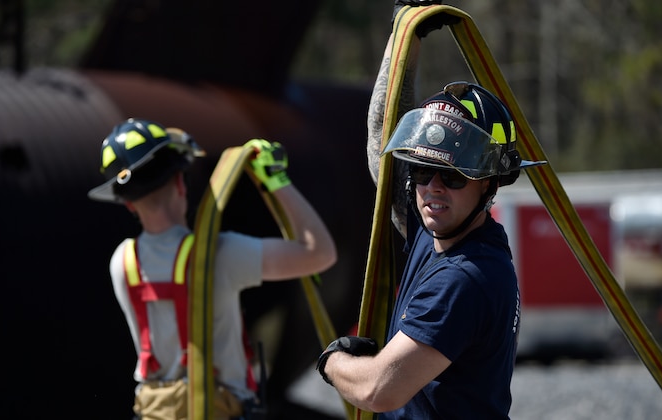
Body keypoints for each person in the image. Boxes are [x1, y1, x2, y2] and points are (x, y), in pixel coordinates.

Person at [315, 1, 545, 418]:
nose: (432, 188)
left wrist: (332, 362)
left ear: (489, 183)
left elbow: (377, 390)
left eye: (453, 176)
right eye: (422, 171)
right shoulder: (438, 232)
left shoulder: (464, 278)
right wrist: (405, 35)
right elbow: (381, 139)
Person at [88, 118, 337, 420]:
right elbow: (319, 252)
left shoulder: (122, 262)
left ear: (128, 204)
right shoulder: (220, 254)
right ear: (181, 183)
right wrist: (274, 179)